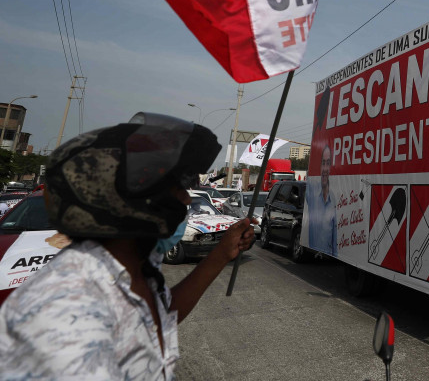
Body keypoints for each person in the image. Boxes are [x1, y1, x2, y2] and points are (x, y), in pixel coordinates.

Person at [0, 113, 256, 379]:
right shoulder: (67, 310)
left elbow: (159, 316)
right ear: (128, 201)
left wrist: (221, 253)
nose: (187, 199)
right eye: (177, 187)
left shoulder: (134, 266)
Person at [306, 144, 337, 256]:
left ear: (332, 167)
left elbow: (335, 242)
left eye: (328, 163)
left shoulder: (334, 200)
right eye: (323, 163)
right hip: (312, 256)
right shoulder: (312, 192)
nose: (324, 169)